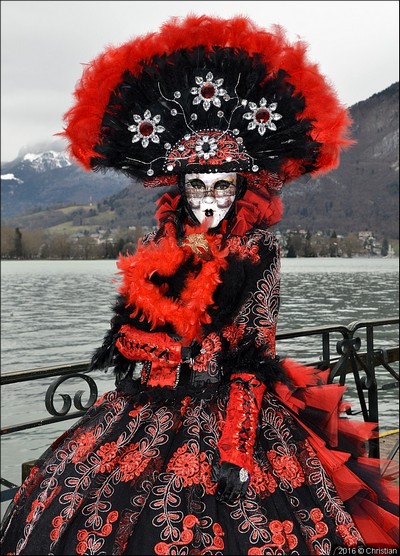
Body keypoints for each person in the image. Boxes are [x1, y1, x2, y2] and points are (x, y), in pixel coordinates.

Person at [1, 14, 398, 556]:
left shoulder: (258, 250)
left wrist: (234, 451)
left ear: (241, 188)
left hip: (232, 409)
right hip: (148, 406)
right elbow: (127, 340)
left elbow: (255, 352)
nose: (208, 200)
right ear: (179, 189)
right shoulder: (160, 245)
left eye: (222, 186)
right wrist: (156, 338)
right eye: (196, 186)